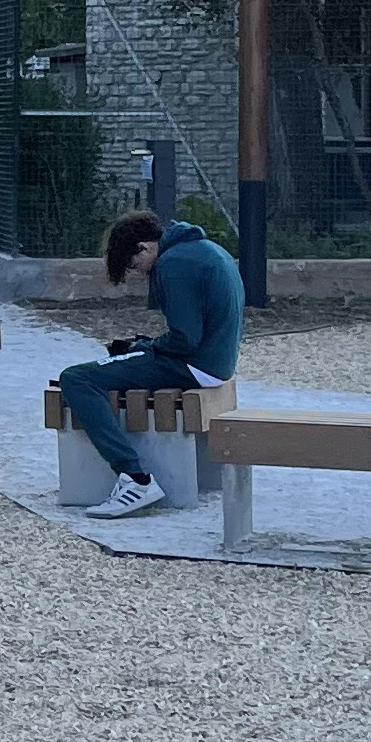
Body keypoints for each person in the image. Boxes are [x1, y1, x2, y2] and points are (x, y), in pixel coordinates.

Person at [58, 206, 245, 520]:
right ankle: (134, 477)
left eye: (134, 264)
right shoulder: (205, 249)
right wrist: (146, 347)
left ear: (143, 247)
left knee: (77, 378)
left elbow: (185, 340)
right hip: (216, 363)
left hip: (195, 366)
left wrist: (146, 346)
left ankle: (135, 479)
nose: (139, 272)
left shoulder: (173, 264)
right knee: (115, 361)